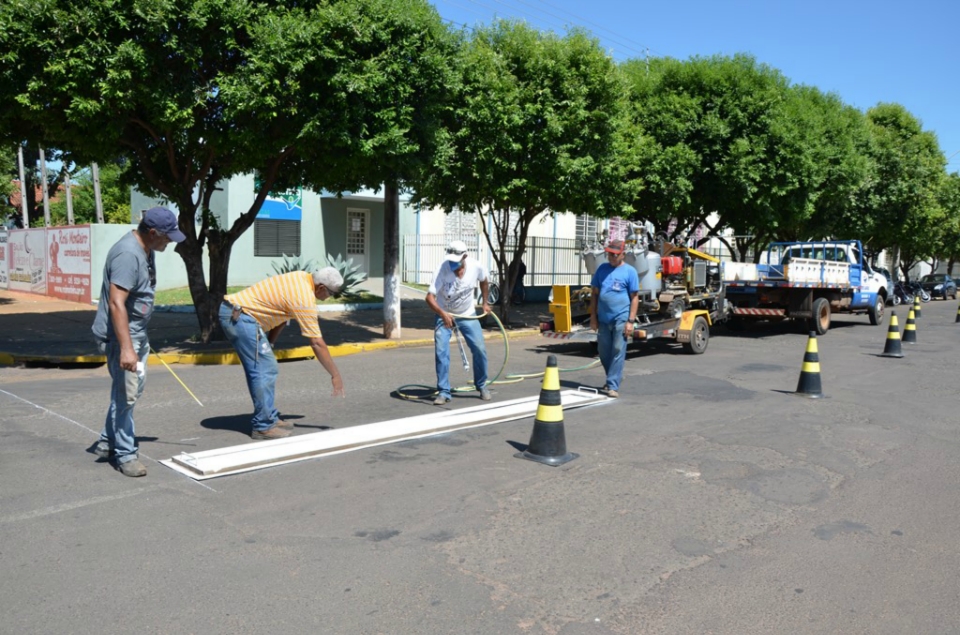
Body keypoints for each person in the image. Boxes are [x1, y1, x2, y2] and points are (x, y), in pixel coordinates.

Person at [92, 206, 185, 477]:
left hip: (135, 334)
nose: (170, 242)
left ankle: (108, 441)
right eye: (168, 237)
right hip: (122, 337)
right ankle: (125, 454)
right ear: (153, 232)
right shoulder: (127, 254)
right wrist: (127, 348)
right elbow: (116, 303)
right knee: (127, 395)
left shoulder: (146, 248)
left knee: (128, 393)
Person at [220, 268, 345, 440]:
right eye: (331, 293)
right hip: (241, 319)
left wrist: (270, 343)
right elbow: (317, 343)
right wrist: (335, 375)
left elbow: (282, 315)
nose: (329, 297)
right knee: (263, 369)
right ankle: (263, 426)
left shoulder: (301, 277)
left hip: (239, 315)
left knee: (267, 366)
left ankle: (269, 417)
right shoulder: (304, 298)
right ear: (321, 287)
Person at [426, 239, 493, 405]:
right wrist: (442, 314)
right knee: (441, 351)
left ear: (465, 256)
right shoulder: (442, 269)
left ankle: (482, 384)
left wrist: (485, 302)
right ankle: (443, 391)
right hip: (445, 314)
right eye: (451, 260)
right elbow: (429, 298)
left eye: (456, 261)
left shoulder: (476, 266)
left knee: (479, 348)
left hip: (467, 313)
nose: (453, 264)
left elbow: (484, 280)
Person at [589, 239, 639, 399]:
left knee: (618, 350)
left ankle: (612, 385)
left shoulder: (630, 272)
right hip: (603, 318)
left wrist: (630, 321)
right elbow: (594, 293)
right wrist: (593, 317)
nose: (611, 257)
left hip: (621, 318)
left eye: (615, 255)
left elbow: (634, 298)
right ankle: (615, 376)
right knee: (603, 352)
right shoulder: (602, 269)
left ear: (623, 254)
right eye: (609, 254)